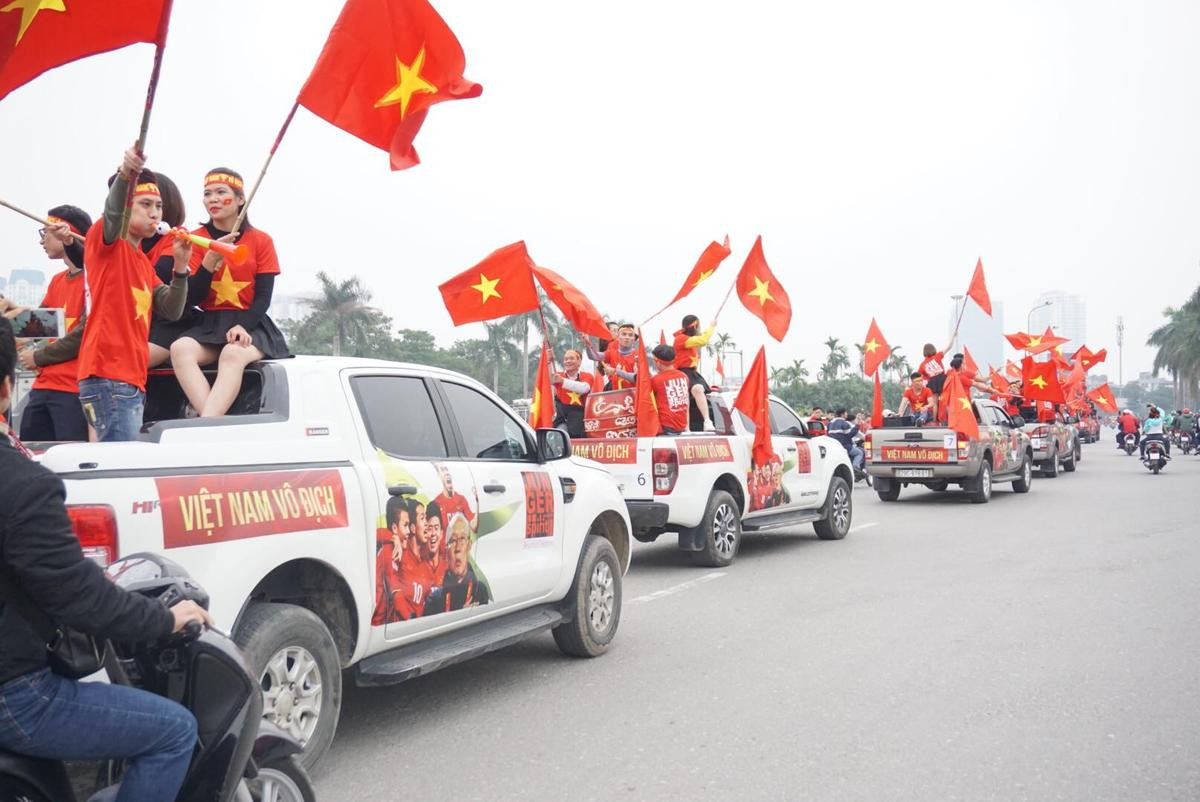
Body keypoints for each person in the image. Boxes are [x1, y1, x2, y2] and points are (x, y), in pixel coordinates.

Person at [0, 316, 213, 802]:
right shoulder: (22, 484)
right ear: (9, 388)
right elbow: (78, 597)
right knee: (173, 731)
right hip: (15, 697)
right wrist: (165, 619)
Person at [75, 148, 191, 442]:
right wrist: (126, 175)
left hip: (129, 379)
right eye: (145, 204)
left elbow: (172, 308)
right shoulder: (106, 239)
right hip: (108, 374)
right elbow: (113, 213)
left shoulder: (142, 261)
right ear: (127, 207)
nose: (155, 212)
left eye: (159, 206)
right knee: (118, 469)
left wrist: (180, 266)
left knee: (119, 466)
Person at [169, 168, 291, 418]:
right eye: (207, 193)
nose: (212, 199)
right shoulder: (194, 240)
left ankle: (205, 424)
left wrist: (243, 326)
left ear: (240, 199)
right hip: (210, 323)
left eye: (221, 192)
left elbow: (263, 298)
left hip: (251, 324)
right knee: (180, 349)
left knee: (232, 353)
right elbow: (191, 299)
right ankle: (212, 423)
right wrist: (208, 263)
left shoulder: (261, 240)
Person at [14, 206, 92, 442]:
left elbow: (83, 334)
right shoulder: (57, 281)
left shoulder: (94, 280)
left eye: (45, 233)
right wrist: (8, 313)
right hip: (43, 387)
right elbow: (36, 326)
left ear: (65, 233)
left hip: (74, 390)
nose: (42, 241)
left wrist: (38, 357)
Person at [672, 314, 716, 432]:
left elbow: (701, 338)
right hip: (681, 372)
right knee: (684, 398)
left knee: (698, 389)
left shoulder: (689, 341)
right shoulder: (681, 339)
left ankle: (707, 421)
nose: (700, 330)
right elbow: (703, 340)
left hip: (692, 373)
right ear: (695, 325)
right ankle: (686, 427)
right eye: (699, 327)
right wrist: (712, 326)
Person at [550, 348, 594, 438]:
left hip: (582, 422)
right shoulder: (559, 375)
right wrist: (548, 361)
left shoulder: (587, 376)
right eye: (566, 359)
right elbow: (548, 377)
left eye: (571, 358)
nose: (568, 361)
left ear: (579, 361)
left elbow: (584, 388)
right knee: (559, 436)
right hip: (563, 421)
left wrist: (562, 381)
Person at [649, 344, 690, 434]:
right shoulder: (684, 376)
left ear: (658, 362)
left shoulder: (656, 380)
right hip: (682, 427)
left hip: (666, 428)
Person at [918, 335, 955, 417]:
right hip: (942, 378)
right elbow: (949, 347)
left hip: (932, 381)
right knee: (945, 400)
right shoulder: (937, 356)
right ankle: (950, 419)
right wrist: (953, 337)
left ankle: (934, 421)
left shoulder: (922, 364)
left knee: (934, 403)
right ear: (933, 349)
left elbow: (918, 377)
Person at [601, 324, 639, 389]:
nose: (627, 337)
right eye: (614, 330)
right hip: (614, 384)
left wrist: (616, 371)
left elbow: (638, 377)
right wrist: (588, 344)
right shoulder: (611, 347)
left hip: (632, 390)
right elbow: (600, 357)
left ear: (633, 338)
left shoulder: (638, 354)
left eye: (630, 335)